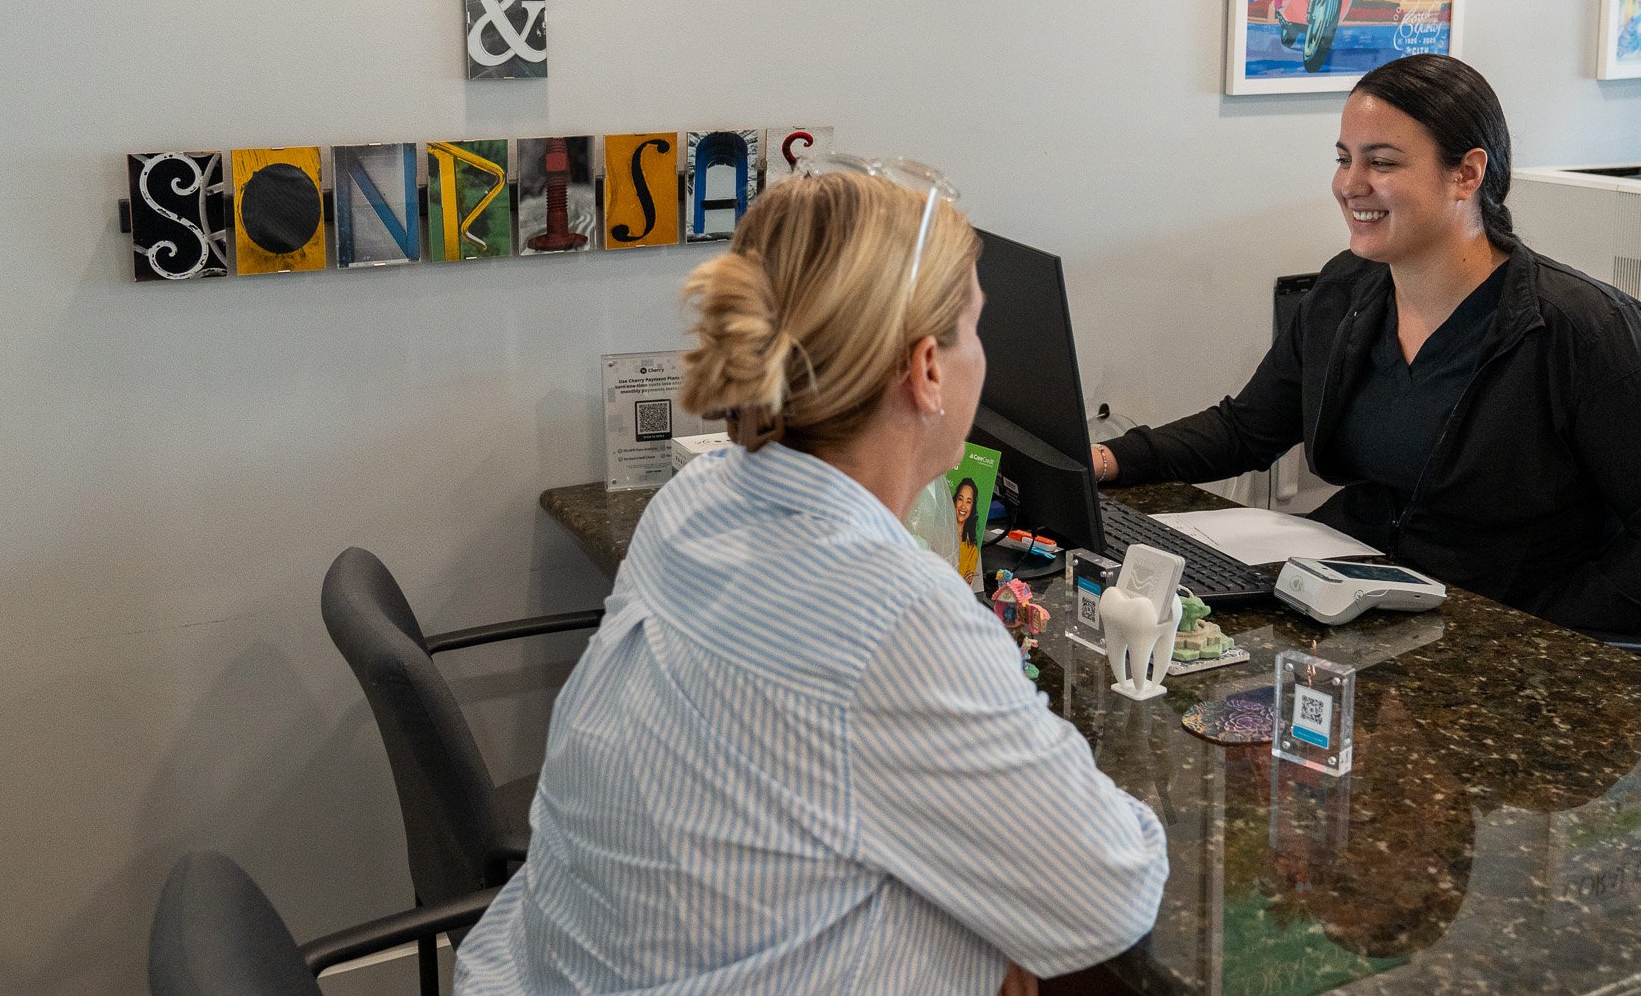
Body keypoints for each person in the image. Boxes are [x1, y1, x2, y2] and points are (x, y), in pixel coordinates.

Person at [456, 163, 1168, 996]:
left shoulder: (695, 500)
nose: (987, 357)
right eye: (976, 329)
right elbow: (1110, 888)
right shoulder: (894, 615)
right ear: (926, 369)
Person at [1092, 55, 1641, 639]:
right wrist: (1105, 459)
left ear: (1467, 174)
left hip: (1491, 632)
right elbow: (1247, 428)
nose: (1350, 185)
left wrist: (1537, 643)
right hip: (1353, 602)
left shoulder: (1586, 330)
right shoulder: (1347, 288)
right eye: (1344, 158)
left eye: (1383, 162)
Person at [952, 474, 983, 582]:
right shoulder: (939, 533)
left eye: (968, 502)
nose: (963, 506)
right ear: (955, 501)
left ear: (972, 507)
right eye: (960, 499)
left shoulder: (972, 549)